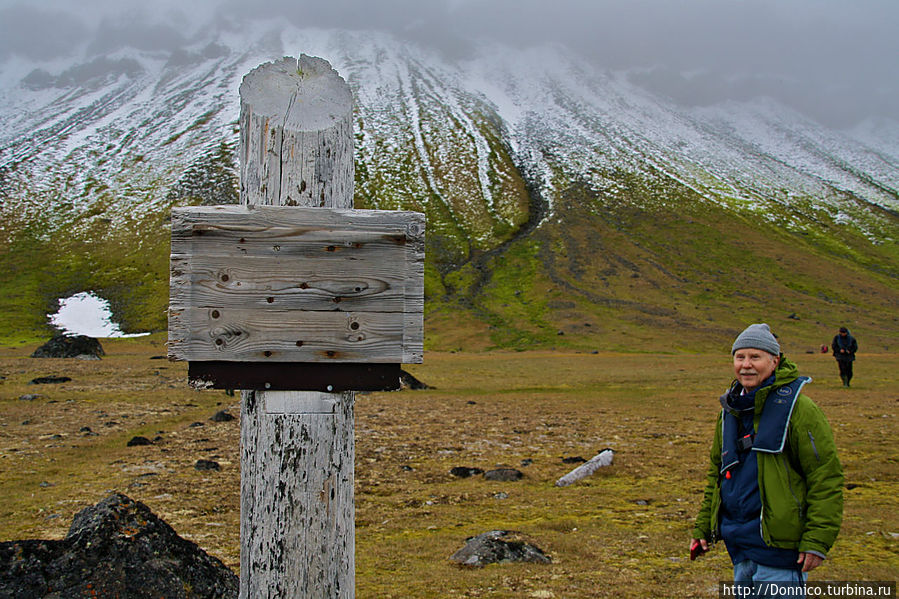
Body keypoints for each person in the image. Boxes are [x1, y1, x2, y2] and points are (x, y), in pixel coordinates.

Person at [691, 323, 843, 597]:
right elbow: (716, 473)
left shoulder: (800, 409)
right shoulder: (730, 411)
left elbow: (824, 477)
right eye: (740, 357)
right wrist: (704, 526)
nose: (746, 365)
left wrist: (817, 540)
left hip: (780, 551)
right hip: (740, 547)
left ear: (775, 361)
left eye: (755, 357)